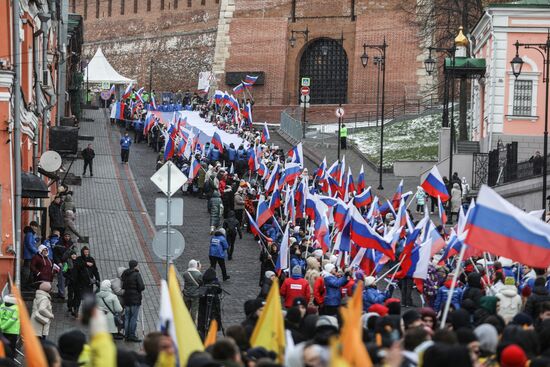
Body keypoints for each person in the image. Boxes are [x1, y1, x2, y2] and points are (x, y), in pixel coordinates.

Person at [121, 260, 145, 342]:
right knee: (133, 318)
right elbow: (141, 287)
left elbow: (123, 286)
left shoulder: (125, 274)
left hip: (127, 298)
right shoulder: (136, 274)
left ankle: (126, 335)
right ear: (135, 266)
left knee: (127, 317)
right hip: (135, 299)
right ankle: (131, 335)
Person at [197, 268, 223, 339]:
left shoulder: (203, 282)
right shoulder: (215, 283)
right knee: (212, 318)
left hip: (204, 307)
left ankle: (204, 335)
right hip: (212, 307)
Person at [182, 259, 203, 324]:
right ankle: (192, 324)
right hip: (195, 295)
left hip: (186, 294)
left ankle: (184, 322)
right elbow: (201, 283)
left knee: (185, 310)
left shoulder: (185, 274)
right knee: (194, 310)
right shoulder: (199, 274)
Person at [23, 221, 40, 289]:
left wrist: (36, 239)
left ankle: (28, 285)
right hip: (29, 256)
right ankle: (24, 285)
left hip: (30, 255)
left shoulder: (30, 234)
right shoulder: (29, 234)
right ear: (31, 226)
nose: (36, 229)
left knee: (29, 271)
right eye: (35, 227)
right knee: (27, 271)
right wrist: (37, 252)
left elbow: (31, 243)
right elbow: (29, 245)